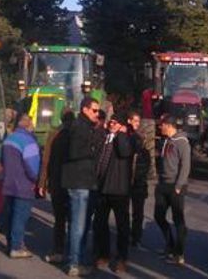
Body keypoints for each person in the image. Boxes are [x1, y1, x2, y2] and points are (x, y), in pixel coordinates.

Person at [61, 96, 101, 277]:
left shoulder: (85, 127)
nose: (97, 114)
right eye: (94, 110)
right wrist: (93, 149)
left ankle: (73, 258)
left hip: (83, 181)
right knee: (78, 225)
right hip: (79, 182)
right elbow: (74, 152)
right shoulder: (79, 127)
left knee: (79, 224)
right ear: (85, 109)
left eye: (98, 111)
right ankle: (74, 263)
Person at [93, 114, 133, 272]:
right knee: (100, 223)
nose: (111, 124)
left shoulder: (124, 138)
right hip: (102, 187)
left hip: (118, 189)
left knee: (122, 226)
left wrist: (121, 133)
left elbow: (124, 152)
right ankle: (104, 254)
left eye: (115, 122)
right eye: (110, 122)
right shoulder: (104, 137)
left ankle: (122, 257)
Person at [1, 113, 41, 258]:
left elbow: (3, 161)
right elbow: (32, 166)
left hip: (9, 183)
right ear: (29, 125)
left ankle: (11, 243)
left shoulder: (8, 139)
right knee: (20, 217)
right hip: (23, 185)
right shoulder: (29, 142)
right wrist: (36, 180)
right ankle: (16, 247)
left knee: (11, 215)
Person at [38, 111, 74, 264]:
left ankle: (58, 249)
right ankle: (73, 251)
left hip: (57, 183)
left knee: (59, 219)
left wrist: (42, 183)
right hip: (73, 183)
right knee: (74, 220)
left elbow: (46, 160)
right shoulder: (76, 135)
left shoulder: (53, 135)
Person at [154, 114, 191, 265]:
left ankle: (179, 252)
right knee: (158, 216)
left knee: (178, 220)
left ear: (169, 125)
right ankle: (169, 244)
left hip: (175, 186)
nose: (159, 127)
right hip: (163, 184)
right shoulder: (167, 140)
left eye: (162, 125)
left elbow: (185, 166)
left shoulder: (182, 142)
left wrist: (178, 186)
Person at [126, 111, 150, 249]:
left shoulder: (141, 138)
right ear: (129, 121)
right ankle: (128, 235)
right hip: (128, 181)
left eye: (138, 122)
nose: (137, 124)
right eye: (135, 121)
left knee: (138, 212)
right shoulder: (126, 137)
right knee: (125, 210)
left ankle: (136, 237)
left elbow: (145, 162)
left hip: (139, 181)